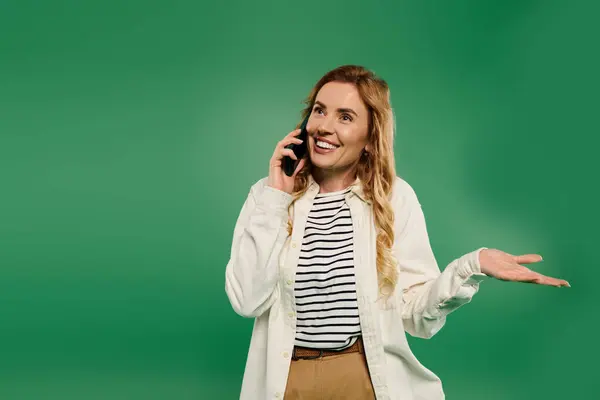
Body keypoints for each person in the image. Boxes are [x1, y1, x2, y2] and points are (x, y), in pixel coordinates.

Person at [224, 65, 570, 400]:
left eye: (345, 117)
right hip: (287, 380)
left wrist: (471, 266)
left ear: (370, 139)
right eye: (319, 111)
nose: (324, 127)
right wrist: (276, 197)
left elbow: (416, 316)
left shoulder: (393, 197)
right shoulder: (267, 196)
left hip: (362, 378)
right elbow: (247, 301)